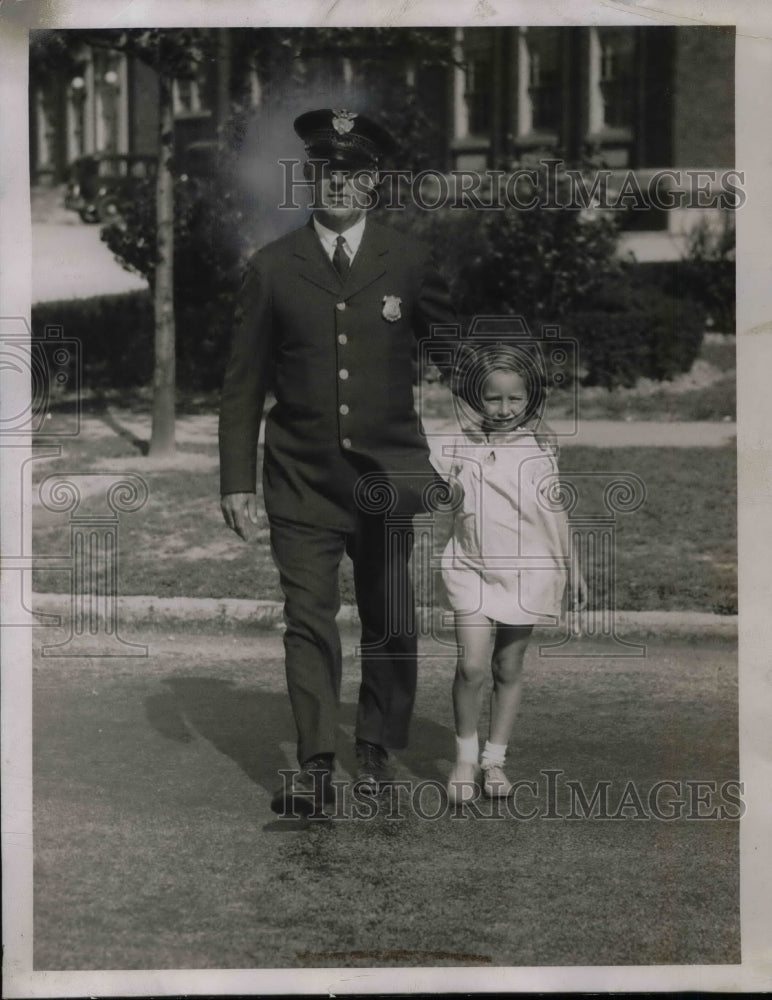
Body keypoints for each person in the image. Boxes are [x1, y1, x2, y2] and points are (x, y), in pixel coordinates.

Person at [219, 108, 458, 816]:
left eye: (354, 173)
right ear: (309, 178)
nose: (339, 184)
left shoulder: (408, 262)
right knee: (308, 620)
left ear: (375, 183)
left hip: (386, 478)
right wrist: (236, 480)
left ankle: (378, 744)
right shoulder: (270, 269)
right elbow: (243, 384)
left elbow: (451, 352)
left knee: (390, 618)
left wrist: (507, 419)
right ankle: (318, 761)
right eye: (327, 171)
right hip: (300, 477)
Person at [430, 342, 587, 804]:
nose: (503, 409)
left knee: (508, 665)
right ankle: (464, 756)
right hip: (471, 566)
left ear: (530, 398)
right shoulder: (453, 444)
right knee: (471, 665)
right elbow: (422, 469)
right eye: (492, 398)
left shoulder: (540, 448)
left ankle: (494, 761)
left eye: (514, 398)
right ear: (475, 397)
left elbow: (556, 512)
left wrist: (573, 569)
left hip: (529, 570)